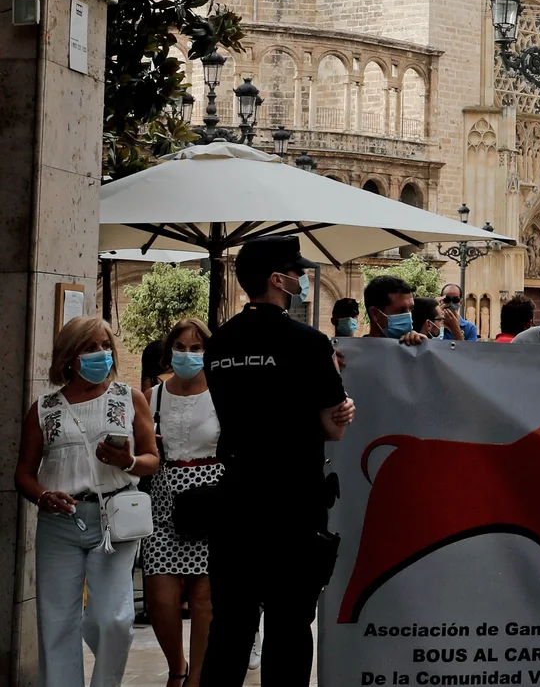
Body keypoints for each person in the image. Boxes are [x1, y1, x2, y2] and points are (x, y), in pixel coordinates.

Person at [201, 235, 354, 687]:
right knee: (288, 625)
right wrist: (340, 396)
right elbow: (334, 427)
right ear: (277, 279)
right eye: (296, 271)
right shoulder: (309, 342)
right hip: (293, 502)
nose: (302, 278)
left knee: (230, 626)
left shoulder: (220, 343)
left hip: (235, 498)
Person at [16, 317, 159, 687]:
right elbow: (24, 474)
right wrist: (44, 496)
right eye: (90, 347)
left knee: (114, 619)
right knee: (56, 623)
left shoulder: (129, 398)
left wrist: (126, 461)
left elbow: (152, 459)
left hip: (115, 519)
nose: (101, 353)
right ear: (69, 357)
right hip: (59, 523)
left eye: (105, 345)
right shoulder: (44, 408)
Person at [145, 316, 221, 687]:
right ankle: (177, 666)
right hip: (163, 497)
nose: (188, 355)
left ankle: (197, 680)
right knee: (160, 595)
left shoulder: (223, 392)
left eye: (196, 348)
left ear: (207, 352)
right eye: (180, 347)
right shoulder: (152, 395)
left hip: (210, 495)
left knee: (205, 597)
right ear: (169, 350)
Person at [362, 274, 416, 339]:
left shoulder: (415, 346)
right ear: (375, 314)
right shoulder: (355, 349)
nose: (408, 317)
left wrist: (424, 347)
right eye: (401, 311)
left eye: (411, 309)